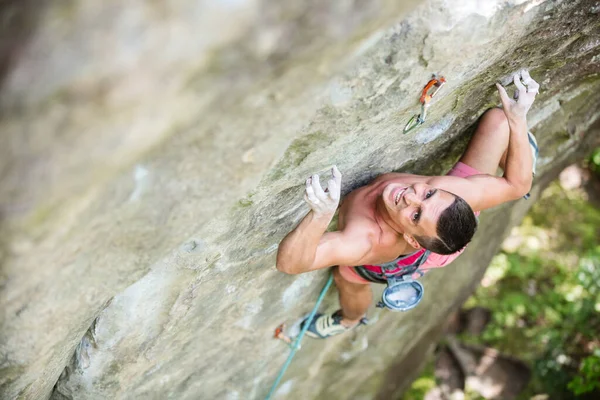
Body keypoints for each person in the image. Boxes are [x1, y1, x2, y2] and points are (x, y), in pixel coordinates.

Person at [276, 70, 540, 338]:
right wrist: (518, 120)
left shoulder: (366, 239)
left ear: (412, 238)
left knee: (346, 278)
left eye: (414, 214)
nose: (410, 196)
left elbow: (291, 264)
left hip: (427, 249)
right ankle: (522, 158)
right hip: (446, 224)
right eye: (427, 195)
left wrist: (320, 217)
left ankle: (349, 321)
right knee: (499, 122)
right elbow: (517, 186)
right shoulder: (446, 192)